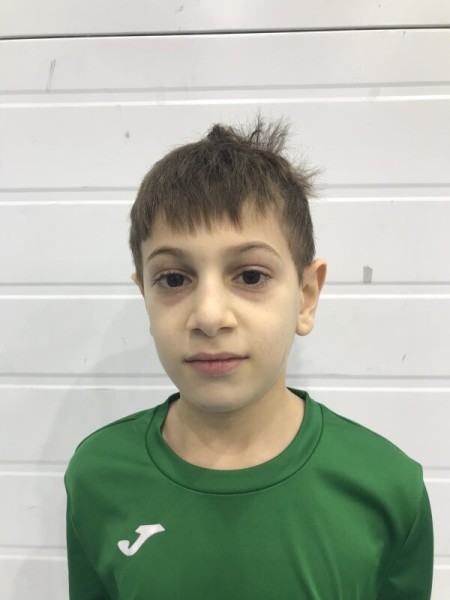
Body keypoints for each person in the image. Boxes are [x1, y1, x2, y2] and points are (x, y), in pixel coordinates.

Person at [64, 116, 434, 599]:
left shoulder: (388, 487)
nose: (209, 316)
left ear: (306, 297)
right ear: (145, 297)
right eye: (173, 279)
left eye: (251, 276)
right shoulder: (98, 476)